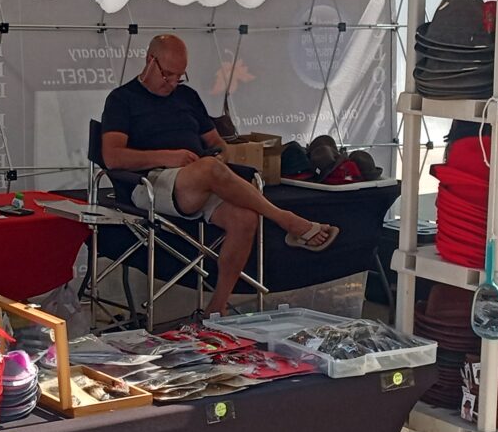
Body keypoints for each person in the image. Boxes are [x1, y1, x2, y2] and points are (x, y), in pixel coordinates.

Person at [101, 35, 335, 316]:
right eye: (167, 74)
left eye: (180, 76)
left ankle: (216, 308)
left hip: (199, 179)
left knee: (245, 218)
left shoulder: (187, 97)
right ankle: (287, 220)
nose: (173, 82)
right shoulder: (122, 99)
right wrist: (167, 157)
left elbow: (216, 143)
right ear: (150, 61)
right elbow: (113, 157)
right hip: (151, 183)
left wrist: (221, 155)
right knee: (210, 170)